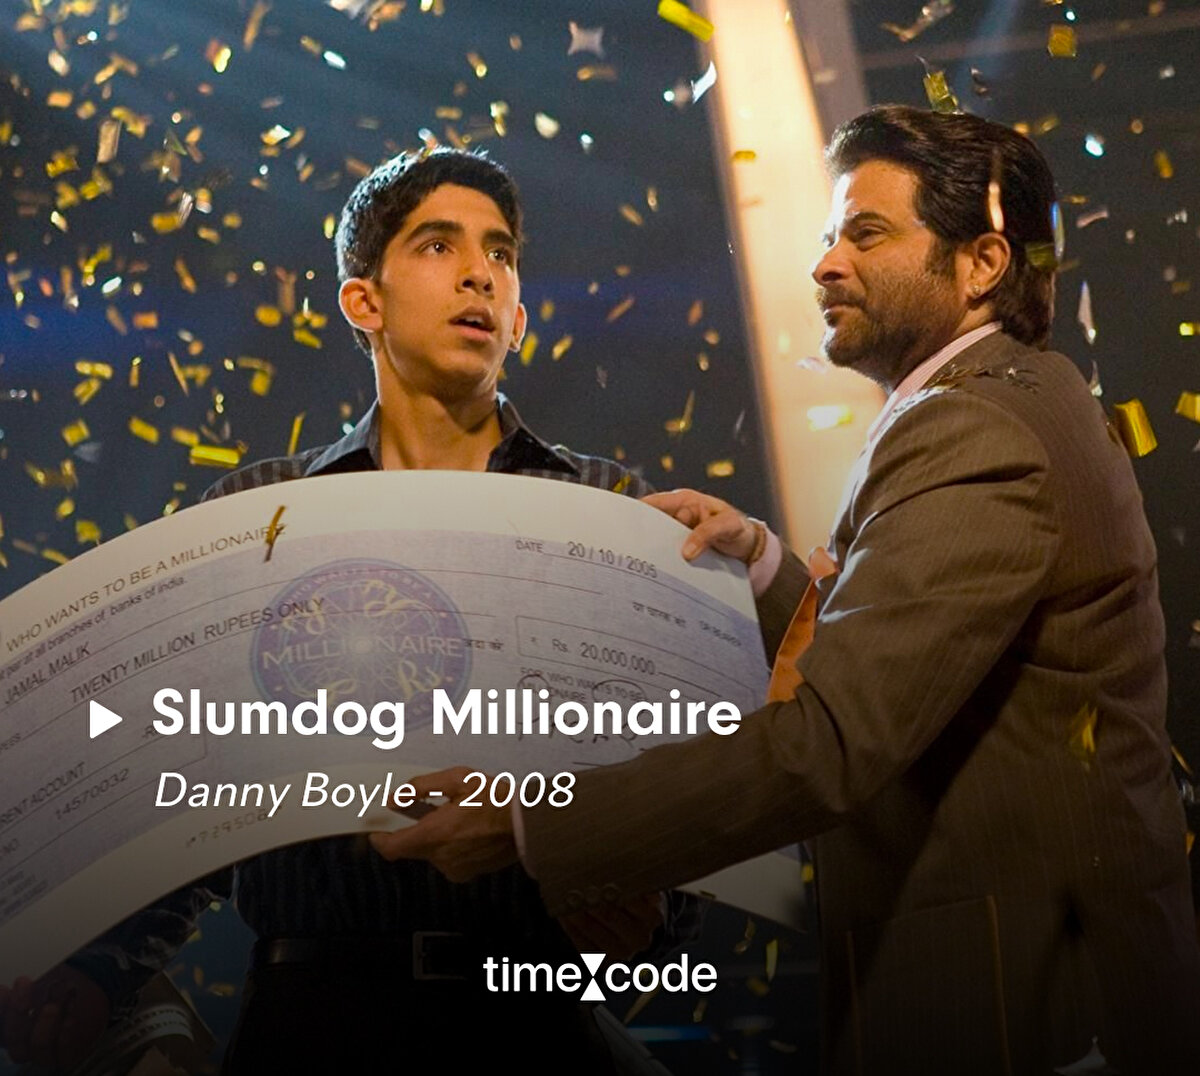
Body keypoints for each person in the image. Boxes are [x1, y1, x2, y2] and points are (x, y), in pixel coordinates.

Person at [379, 106, 1200, 1075]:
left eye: (867, 234)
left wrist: (531, 821)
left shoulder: (977, 427)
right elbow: (907, 651)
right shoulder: (1004, 400)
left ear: (982, 263)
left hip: (1027, 1010)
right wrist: (765, 566)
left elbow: (832, 743)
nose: (825, 265)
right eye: (828, 236)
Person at [0, 147, 712, 1075]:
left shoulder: (613, 510)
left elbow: (693, 780)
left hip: (536, 1017)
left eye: (500, 253)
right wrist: (100, 967)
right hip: (309, 1017)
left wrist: (653, 909)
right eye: (438, 245)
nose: (479, 272)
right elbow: (184, 785)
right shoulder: (255, 516)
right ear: (362, 301)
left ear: (519, 318)